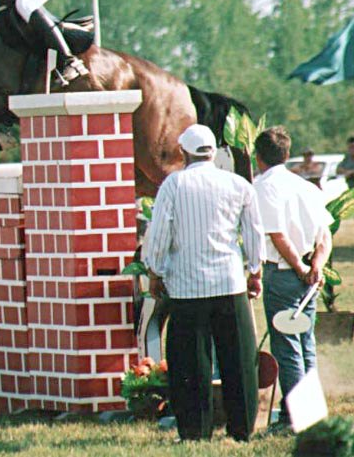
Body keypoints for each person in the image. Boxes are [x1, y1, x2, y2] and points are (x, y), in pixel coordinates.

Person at [142, 124, 265, 443]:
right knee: (238, 360)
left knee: (191, 363)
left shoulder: (174, 185)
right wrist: (255, 270)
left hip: (187, 287)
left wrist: (155, 271)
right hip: (230, 283)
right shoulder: (238, 185)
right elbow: (254, 232)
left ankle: (195, 431)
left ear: (184, 152)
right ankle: (242, 429)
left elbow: (159, 235)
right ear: (214, 152)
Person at [254, 126, 333, 434]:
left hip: (285, 273)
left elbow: (277, 234)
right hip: (309, 272)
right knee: (305, 343)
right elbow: (324, 235)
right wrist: (317, 265)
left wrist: (301, 267)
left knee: (287, 347)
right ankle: (311, 413)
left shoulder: (264, 186)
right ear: (286, 154)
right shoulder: (305, 186)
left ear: (259, 157)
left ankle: (297, 418)